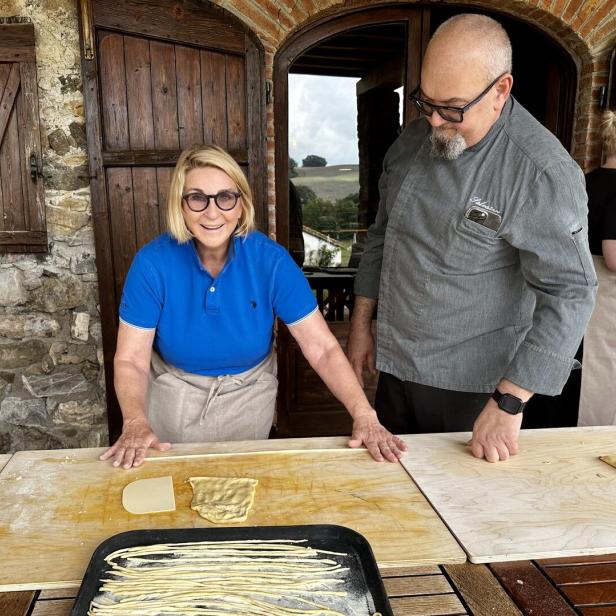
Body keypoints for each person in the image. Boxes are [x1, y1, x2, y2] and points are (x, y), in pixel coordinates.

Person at [347, 14, 597, 463]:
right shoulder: (412, 139)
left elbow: (572, 292)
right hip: (395, 365)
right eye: (427, 103)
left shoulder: (541, 173)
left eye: (454, 108)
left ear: (501, 90)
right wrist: (362, 325)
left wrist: (510, 401)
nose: (436, 121)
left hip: (476, 388)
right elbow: (382, 236)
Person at [99, 145, 405, 469]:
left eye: (225, 197)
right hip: (173, 392)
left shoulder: (270, 261)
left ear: (241, 204)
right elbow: (131, 359)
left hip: (247, 393)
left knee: (240, 484)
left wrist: (364, 414)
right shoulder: (152, 263)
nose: (212, 213)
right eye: (197, 198)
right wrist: (134, 421)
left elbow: (322, 348)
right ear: (181, 205)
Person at [578, 110, 616, 425]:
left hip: (578, 288)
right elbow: (614, 255)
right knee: (602, 370)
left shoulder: (584, 181)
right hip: (606, 295)